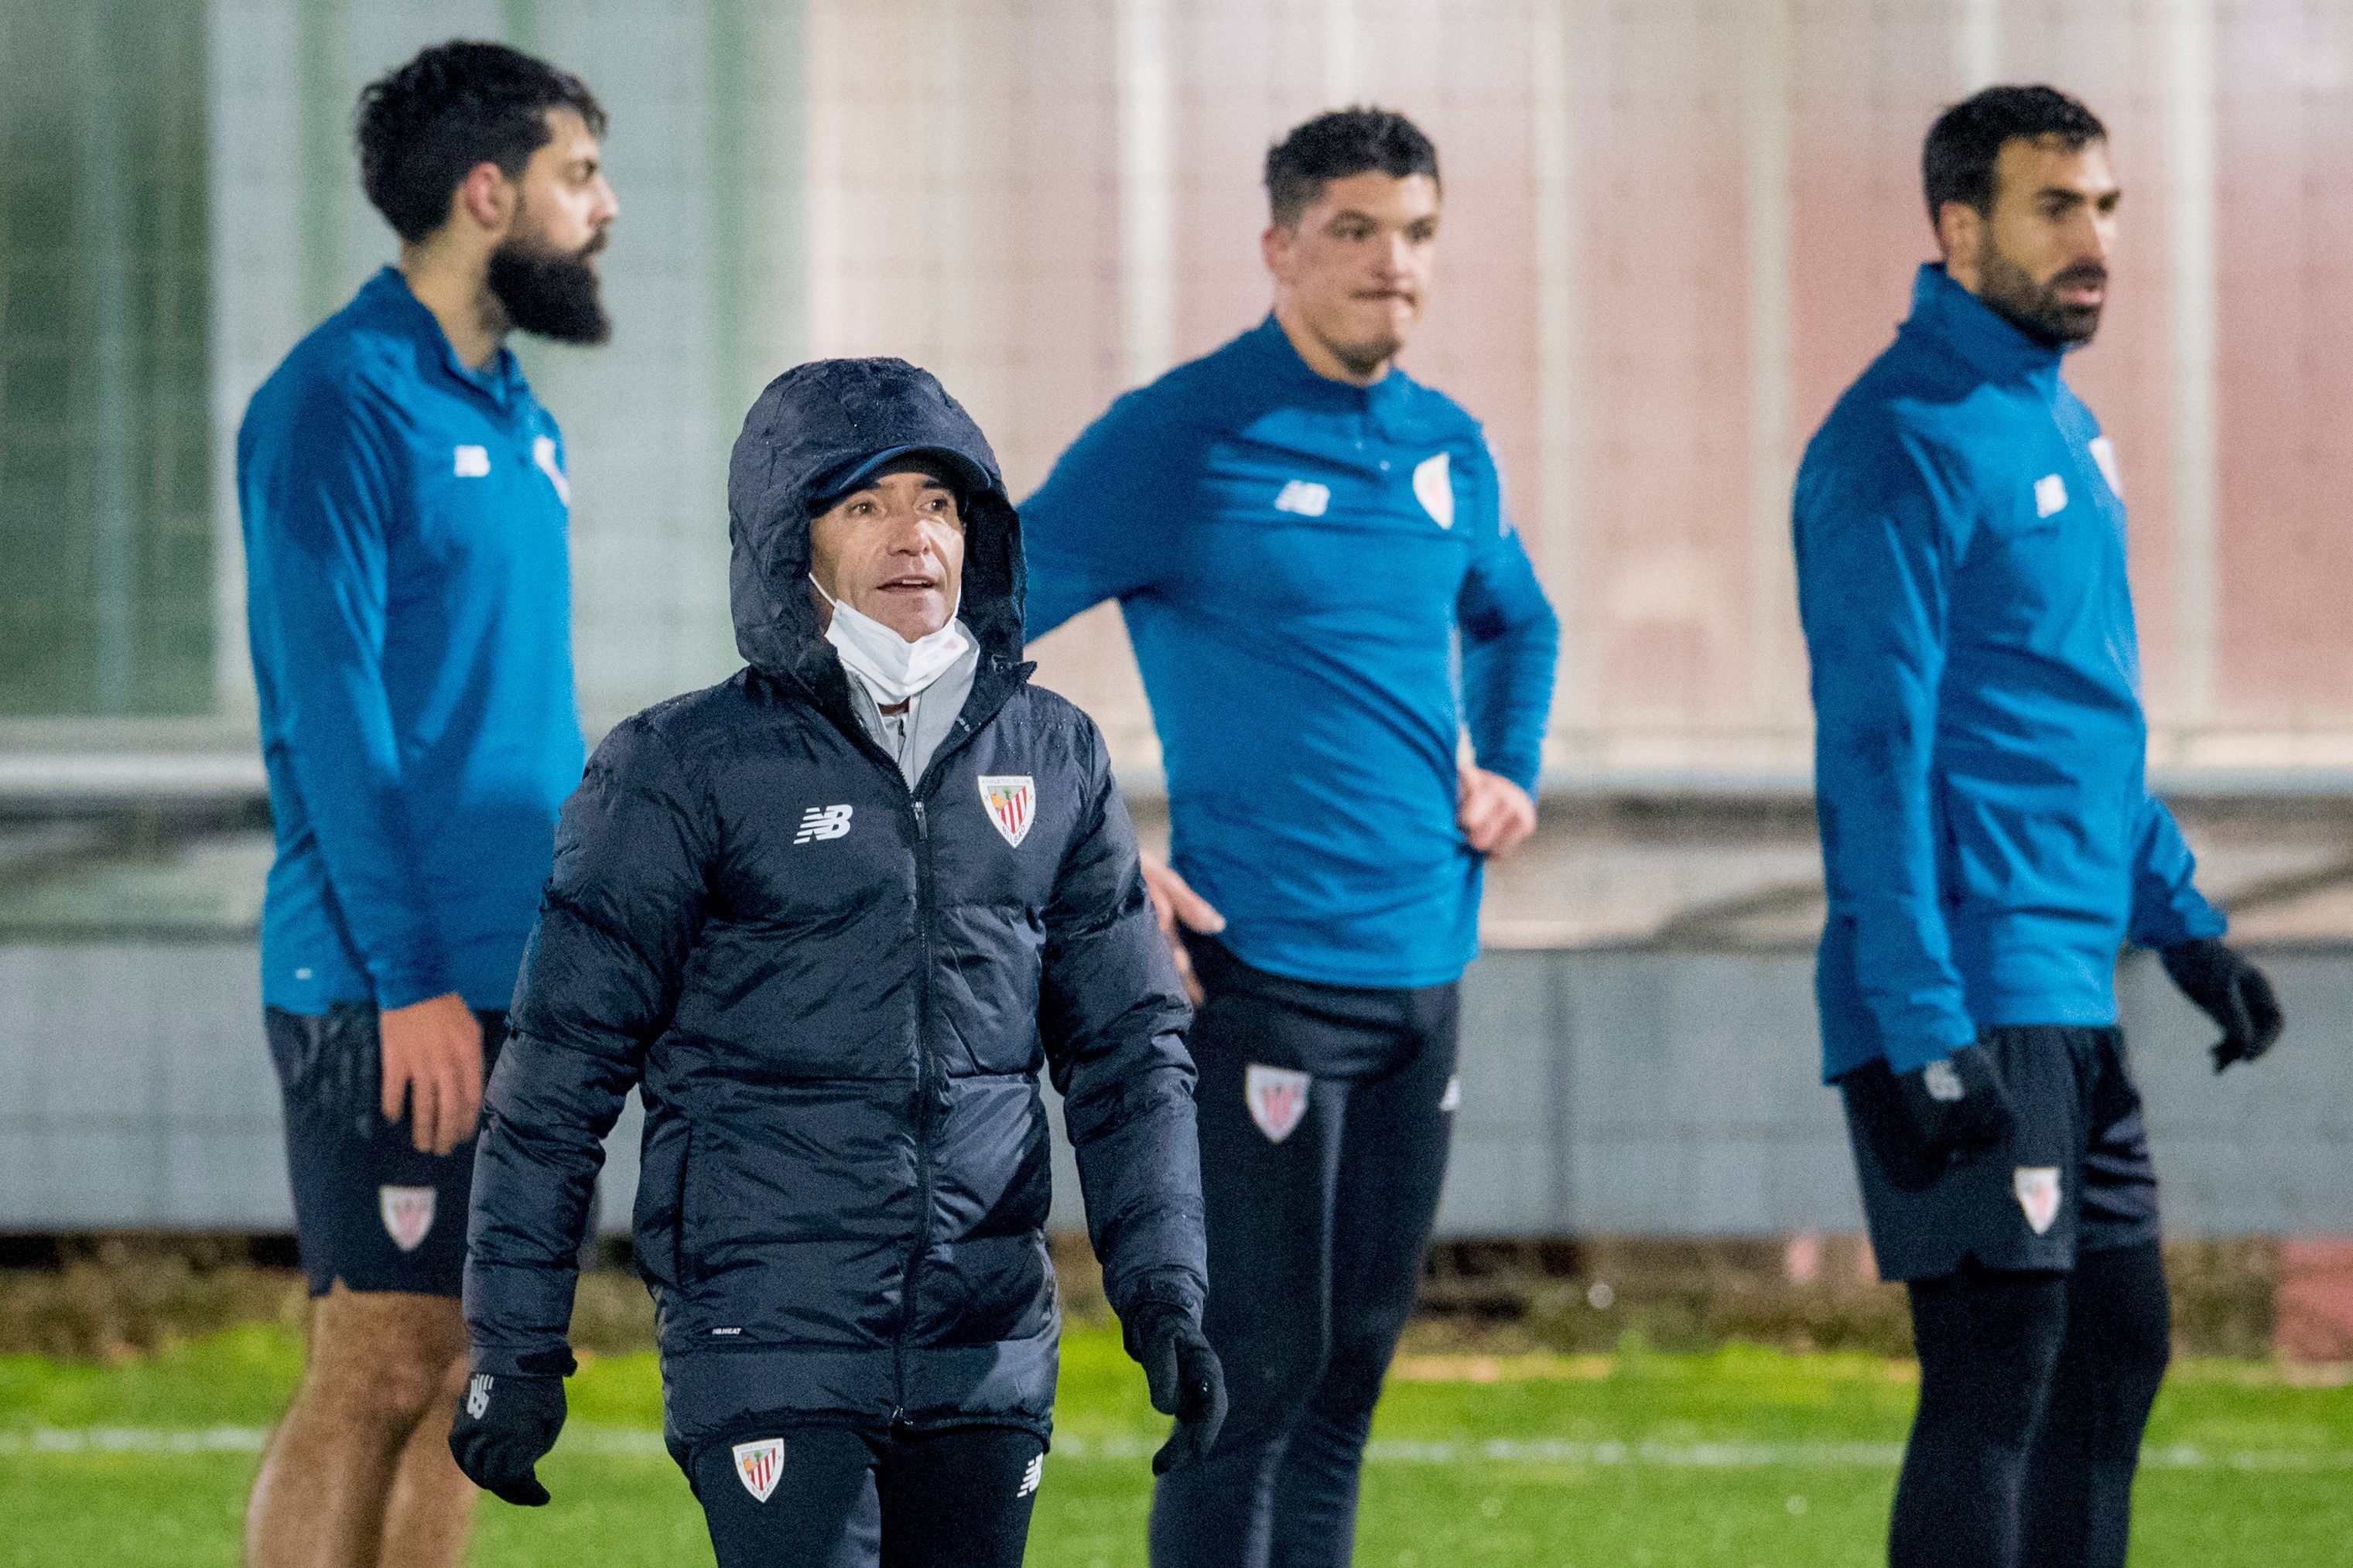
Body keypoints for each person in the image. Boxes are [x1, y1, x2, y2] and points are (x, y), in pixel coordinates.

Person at [446, 358, 1226, 1568]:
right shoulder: (674, 768)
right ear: (787, 542)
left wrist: (1165, 1291)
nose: (910, 534)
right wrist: (513, 1344)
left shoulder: (1057, 754)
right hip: (768, 1339)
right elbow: (556, 1083)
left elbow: (1129, 1056)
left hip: (985, 1343)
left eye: (937, 501)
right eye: (862, 505)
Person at [1021, 108, 1560, 1567]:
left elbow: (1517, 620)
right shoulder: (1180, 438)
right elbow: (960, 647)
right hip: (1249, 978)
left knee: (1350, 1371)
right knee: (1248, 1376)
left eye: (1419, 234)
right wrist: (1095, 853)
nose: (1395, 266)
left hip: (1423, 979)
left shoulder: (1447, 447)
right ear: (1278, 248)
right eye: (1355, 231)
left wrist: (1505, 766)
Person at [1794, 84, 2285, 1568]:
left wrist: (2183, 924)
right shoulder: (1897, 439)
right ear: (1958, 228)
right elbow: (1872, 752)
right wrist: (1922, 1020)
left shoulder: (2059, 425)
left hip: (2071, 983)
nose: (2096, 240)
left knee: (2112, 1363)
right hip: (1962, 983)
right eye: (2054, 207)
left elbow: (2080, 714)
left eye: (2105, 206)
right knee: (1997, 1381)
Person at [235, 40, 618, 1568]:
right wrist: (412, 988)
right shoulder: (336, 400)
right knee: (380, 1362)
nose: (603, 208)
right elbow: (334, 731)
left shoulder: (518, 408)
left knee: (473, 1367)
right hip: (390, 984)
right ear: (485, 192)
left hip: (526, 965)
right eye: (577, 176)